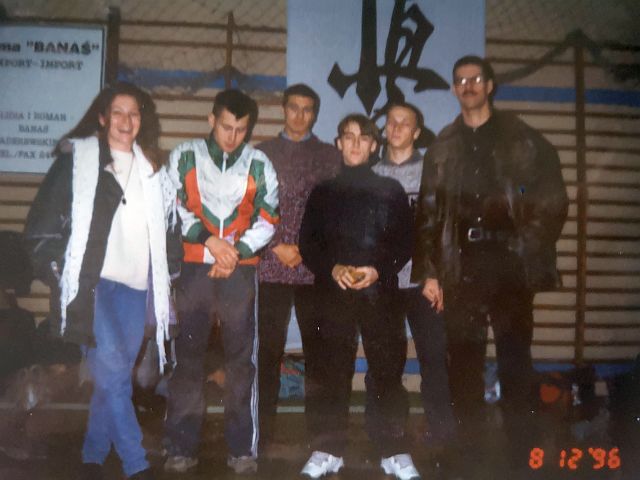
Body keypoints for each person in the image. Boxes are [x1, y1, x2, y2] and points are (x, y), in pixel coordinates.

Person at [412, 55, 568, 464]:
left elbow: (552, 201)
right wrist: (430, 271)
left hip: (510, 266)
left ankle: (522, 456)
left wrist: (526, 245)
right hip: (461, 266)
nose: (468, 86)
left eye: (476, 79)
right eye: (461, 80)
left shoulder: (524, 140)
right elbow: (427, 213)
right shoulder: (442, 147)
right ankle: (468, 456)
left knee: (515, 360)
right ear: (454, 89)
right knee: (464, 365)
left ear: (490, 85)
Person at [23, 82, 182, 480]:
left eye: (134, 113)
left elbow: (170, 228)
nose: (127, 121)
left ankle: (93, 454)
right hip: (93, 289)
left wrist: (170, 272)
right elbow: (41, 227)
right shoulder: (78, 161)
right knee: (112, 372)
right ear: (102, 117)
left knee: (113, 377)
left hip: (136, 290)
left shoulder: (154, 169)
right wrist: (61, 274)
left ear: (142, 119)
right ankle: (136, 463)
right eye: (118, 112)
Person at [163, 89, 279, 475]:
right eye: (226, 127)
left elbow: (269, 217)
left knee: (240, 361)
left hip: (239, 271)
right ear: (211, 120)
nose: (232, 136)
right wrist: (210, 242)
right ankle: (180, 446)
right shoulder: (184, 155)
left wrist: (236, 252)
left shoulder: (259, 163)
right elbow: (172, 205)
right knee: (187, 359)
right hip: (194, 267)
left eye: (241, 129)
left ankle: (242, 449)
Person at [298, 114, 420, 480]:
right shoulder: (323, 191)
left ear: (373, 145)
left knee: (386, 371)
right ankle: (327, 450)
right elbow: (308, 244)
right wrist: (332, 268)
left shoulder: (390, 190)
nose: (354, 143)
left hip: (380, 293)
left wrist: (379, 269)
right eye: (348, 136)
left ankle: (392, 451)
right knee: (330, 372)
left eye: (362, 137)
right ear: (338, 143)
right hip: (333, 292)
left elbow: (405, 243)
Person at [256, 83, 341, 450]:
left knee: (319, 354)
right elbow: (247, 208)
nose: (300, 115)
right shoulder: (261, 153)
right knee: (266, 352)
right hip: (269, 264)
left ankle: (320, 440)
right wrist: (274, 245)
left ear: (315, 114)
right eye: (294, 107)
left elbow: (334, 213)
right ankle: (260, 435)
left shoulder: (329, 156)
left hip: (314, 269)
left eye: (308, 109)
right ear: (283, 109)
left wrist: (305, 250)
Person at [373, 102, 457, 449]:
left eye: (404, 123)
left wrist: (435, 275)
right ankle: (386, 431)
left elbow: (445, 229)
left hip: (424, 282)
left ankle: (442, 433)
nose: (396, 128)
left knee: (434, 359)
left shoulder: (432, 173)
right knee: (385, 362)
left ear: (417, 132)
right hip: (385, 284)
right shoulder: (372, 173)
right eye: (391, 122)